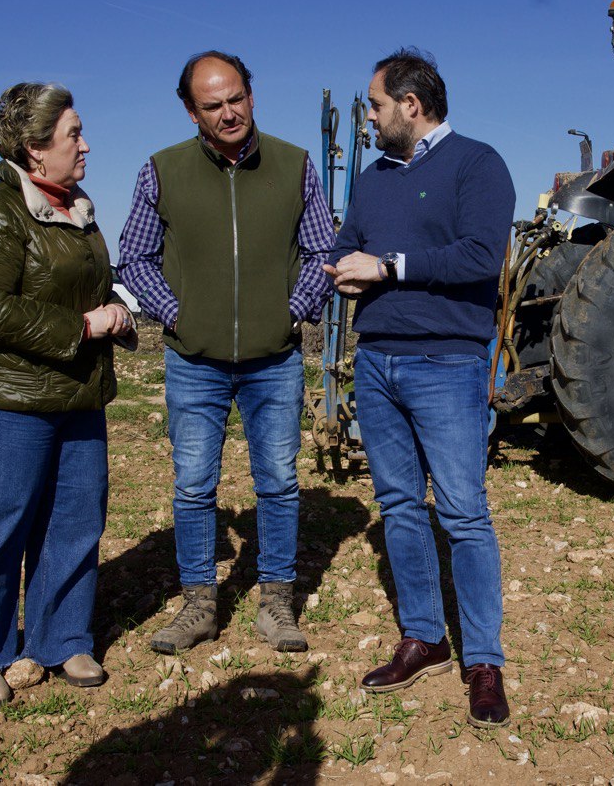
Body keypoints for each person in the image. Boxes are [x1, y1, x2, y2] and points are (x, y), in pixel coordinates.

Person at [119, 51, 334, 655]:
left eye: (236, 97)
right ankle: (198, 606)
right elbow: (133, 257)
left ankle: (276, 604)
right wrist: (175, 312)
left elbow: (322, 250)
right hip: (195, 361)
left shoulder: (293, 164)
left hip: (275, 361)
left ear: (251, 95)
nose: (228, 112)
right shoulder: (161, 171)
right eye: (212, 105)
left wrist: (294, 311)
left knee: (279, 482)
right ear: (192, 112)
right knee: (192, 486)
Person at [325, 48, 515, 728]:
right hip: (376, 361)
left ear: (411, 104)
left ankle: (484, 660)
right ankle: (426, 637)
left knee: (463, 512)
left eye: (376, 105)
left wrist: (388, 266)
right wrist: (339, 266)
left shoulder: (477, 164)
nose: (370, 117)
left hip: (446, 363)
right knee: (401, 506)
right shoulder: (373, 178)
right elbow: (352, 239)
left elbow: (480, 255)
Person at [0, 82, 133, 706]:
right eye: (74, 134)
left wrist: (115, 308)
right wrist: (84, 326)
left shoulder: (77, 208)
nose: (86, 144)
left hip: (72, 393)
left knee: (75, 519)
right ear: (34, 149)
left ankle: (62, 637)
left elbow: (84, 285)